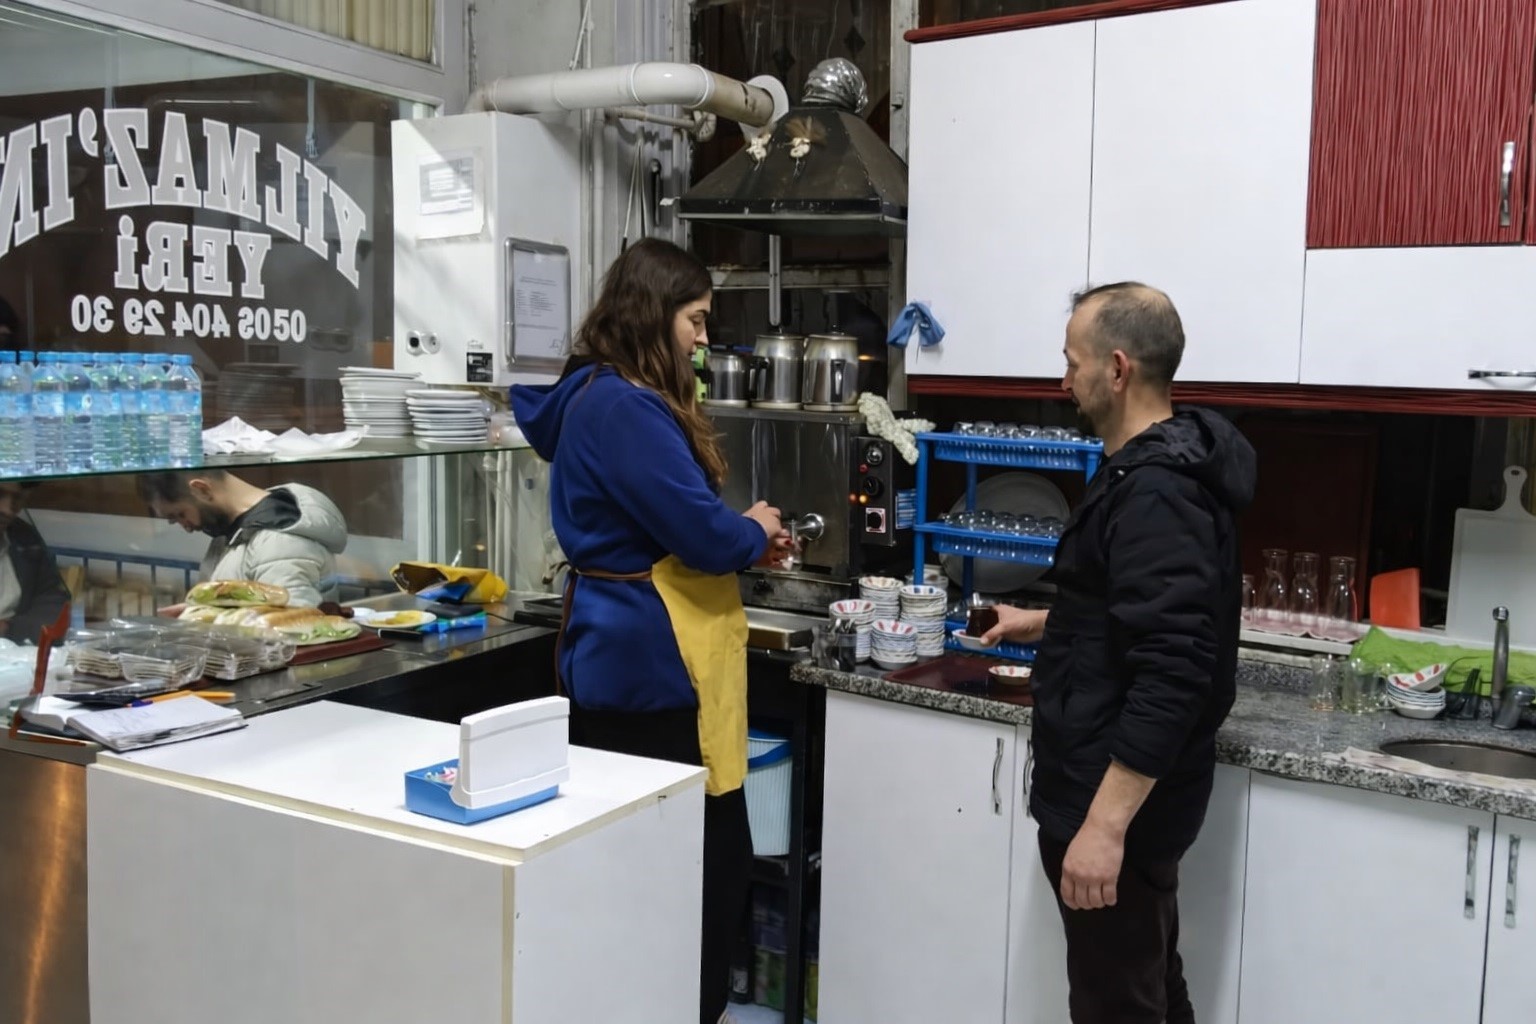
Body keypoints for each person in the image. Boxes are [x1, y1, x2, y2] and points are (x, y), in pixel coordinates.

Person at [510, 238, 790, 1024]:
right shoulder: (625, 408)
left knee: (653, 876)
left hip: (620, 658)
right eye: (695, 319)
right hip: (653, 669)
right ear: (652, 313)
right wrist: (753, 528)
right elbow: (701, 535)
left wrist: (742, 537)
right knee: (692, 883)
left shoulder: (594, 393)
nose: (703, 338)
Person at [982, 283, 1256, 1023]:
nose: (1063, 380)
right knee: (1149, 988)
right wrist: (1044, 621)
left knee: (1118, 1007)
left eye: (1072, 362)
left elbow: (1173, 671)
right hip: (1111, 793)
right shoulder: (1148, 468)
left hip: (1115, 806)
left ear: (1118, 368)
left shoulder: (1158, 492)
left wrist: (1104, 830)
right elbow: (1130, 616)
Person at [136, 469, 348, 609]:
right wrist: (198, 612)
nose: (187, 527)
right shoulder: (234, 533)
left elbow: (291, 628)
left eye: (180, 514)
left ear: (201, 489)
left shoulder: (279, 541)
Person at [0, 481, 70, 642]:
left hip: (15, 648)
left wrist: (8, 629)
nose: (7, 510)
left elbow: (52, 601)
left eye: (16, 499)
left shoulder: (25, 538)